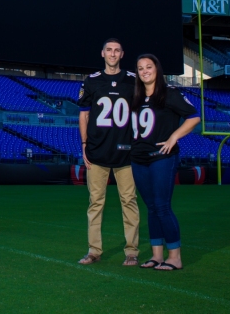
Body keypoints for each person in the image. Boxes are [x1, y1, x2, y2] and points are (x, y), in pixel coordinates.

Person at [130, 54, 200, 271]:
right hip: (138, 159)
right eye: (140, 68)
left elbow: (194, 116)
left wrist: (174, 137)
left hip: (161, 157)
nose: (144, 71)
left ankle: (175, 257)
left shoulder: (169, 93)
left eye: (148, 67)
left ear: (157, 69)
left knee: (162, 206)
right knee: (151, 208)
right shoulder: (136, 96)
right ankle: (156, 256)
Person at [77, 38, 140, 266]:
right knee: (95, 203)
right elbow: (83, 115)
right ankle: (94, 250)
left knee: (129, 201)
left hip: (126, 152)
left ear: (122, 54)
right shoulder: (92, 81)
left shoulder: (133, 80)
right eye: (109, 50)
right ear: (102, 53)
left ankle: (132, 251)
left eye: (117, 50)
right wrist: (84, 144)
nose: (113, 54)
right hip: (97, 152)